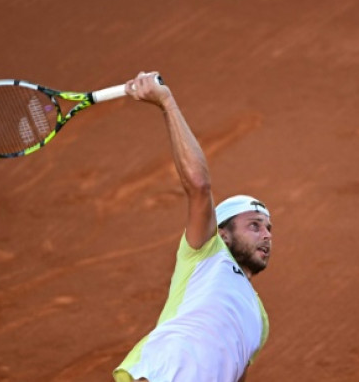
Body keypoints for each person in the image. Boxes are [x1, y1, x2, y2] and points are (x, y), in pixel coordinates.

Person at [113, 71, 273, 382]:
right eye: (254, 225)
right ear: (222, 233)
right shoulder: (206, 254)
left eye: (269, 228)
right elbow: (199, 185)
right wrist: (166, 102)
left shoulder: (260, 319)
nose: (266, 235)